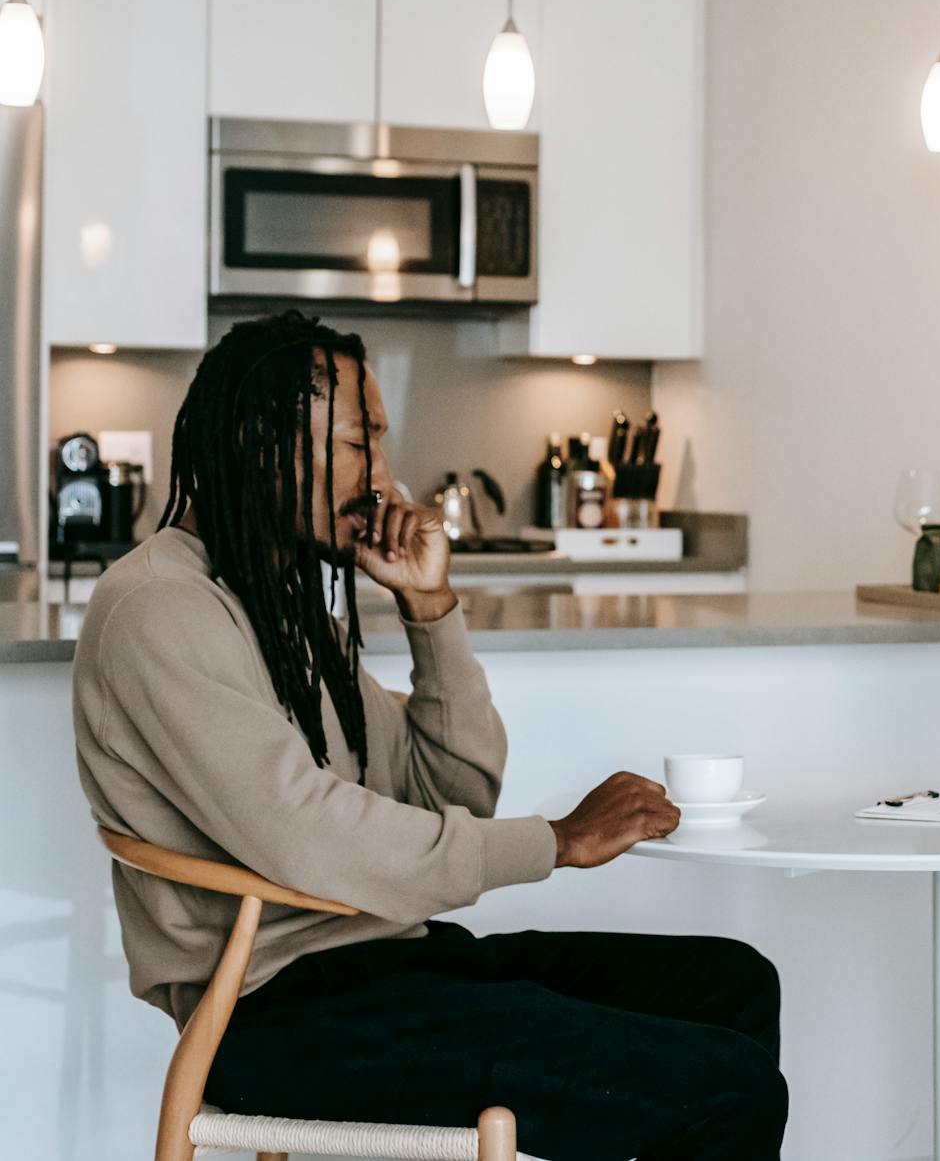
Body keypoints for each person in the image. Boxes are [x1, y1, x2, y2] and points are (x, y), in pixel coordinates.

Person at [72, 312, 786, 1161]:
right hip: (281, 1012)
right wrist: (554, 842)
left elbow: (451, 796)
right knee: (726, 1086)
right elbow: (310, 833)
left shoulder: (285, 604)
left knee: (734, 982)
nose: (385, 476)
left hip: (390, 961)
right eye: (358, 442)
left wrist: (430, 611)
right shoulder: (159, 608)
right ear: (261, 441)